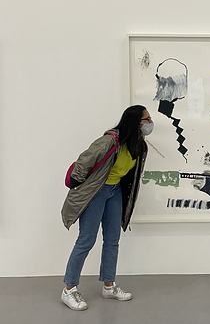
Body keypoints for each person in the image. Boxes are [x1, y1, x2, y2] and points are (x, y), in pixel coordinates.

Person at [61, 105, 153, 311]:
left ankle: (109, 286)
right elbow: (84, 161)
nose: (150, 123)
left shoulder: (139, 144)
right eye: (147, 119)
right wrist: (79, 185)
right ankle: (69, 289)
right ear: (135, 122)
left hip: (115, 192)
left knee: (112, 240)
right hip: (96, 192)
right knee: (86, 240)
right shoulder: (110, 140)